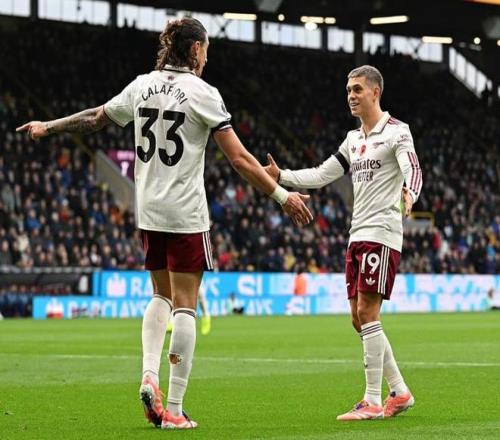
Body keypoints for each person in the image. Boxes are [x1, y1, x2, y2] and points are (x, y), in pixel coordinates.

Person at [16, 17, 313, 430]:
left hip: (149, 210)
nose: (207, 59)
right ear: (195, 49)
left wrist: (48, 126)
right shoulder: (203, 93)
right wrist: (283, 195)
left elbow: (96, 118)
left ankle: (148, 373)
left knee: (161, 296)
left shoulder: (142, 86)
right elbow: (240, 159)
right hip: (185, 212)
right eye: (206, 51)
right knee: (186, 304)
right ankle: (174, 408)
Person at [265, 65, 422, 421]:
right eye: (348, 90)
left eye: (357, 89)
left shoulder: (397, 132)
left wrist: (410, 193)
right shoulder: (353, 140)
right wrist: (282, 176)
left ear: (375, 92)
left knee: (368, 313)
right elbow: (323, 173)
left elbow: (412, 168)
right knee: (357, 318)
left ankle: (372, 399)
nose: (351, 95)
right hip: (357, 235)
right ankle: (399, 391)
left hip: (381, 232)